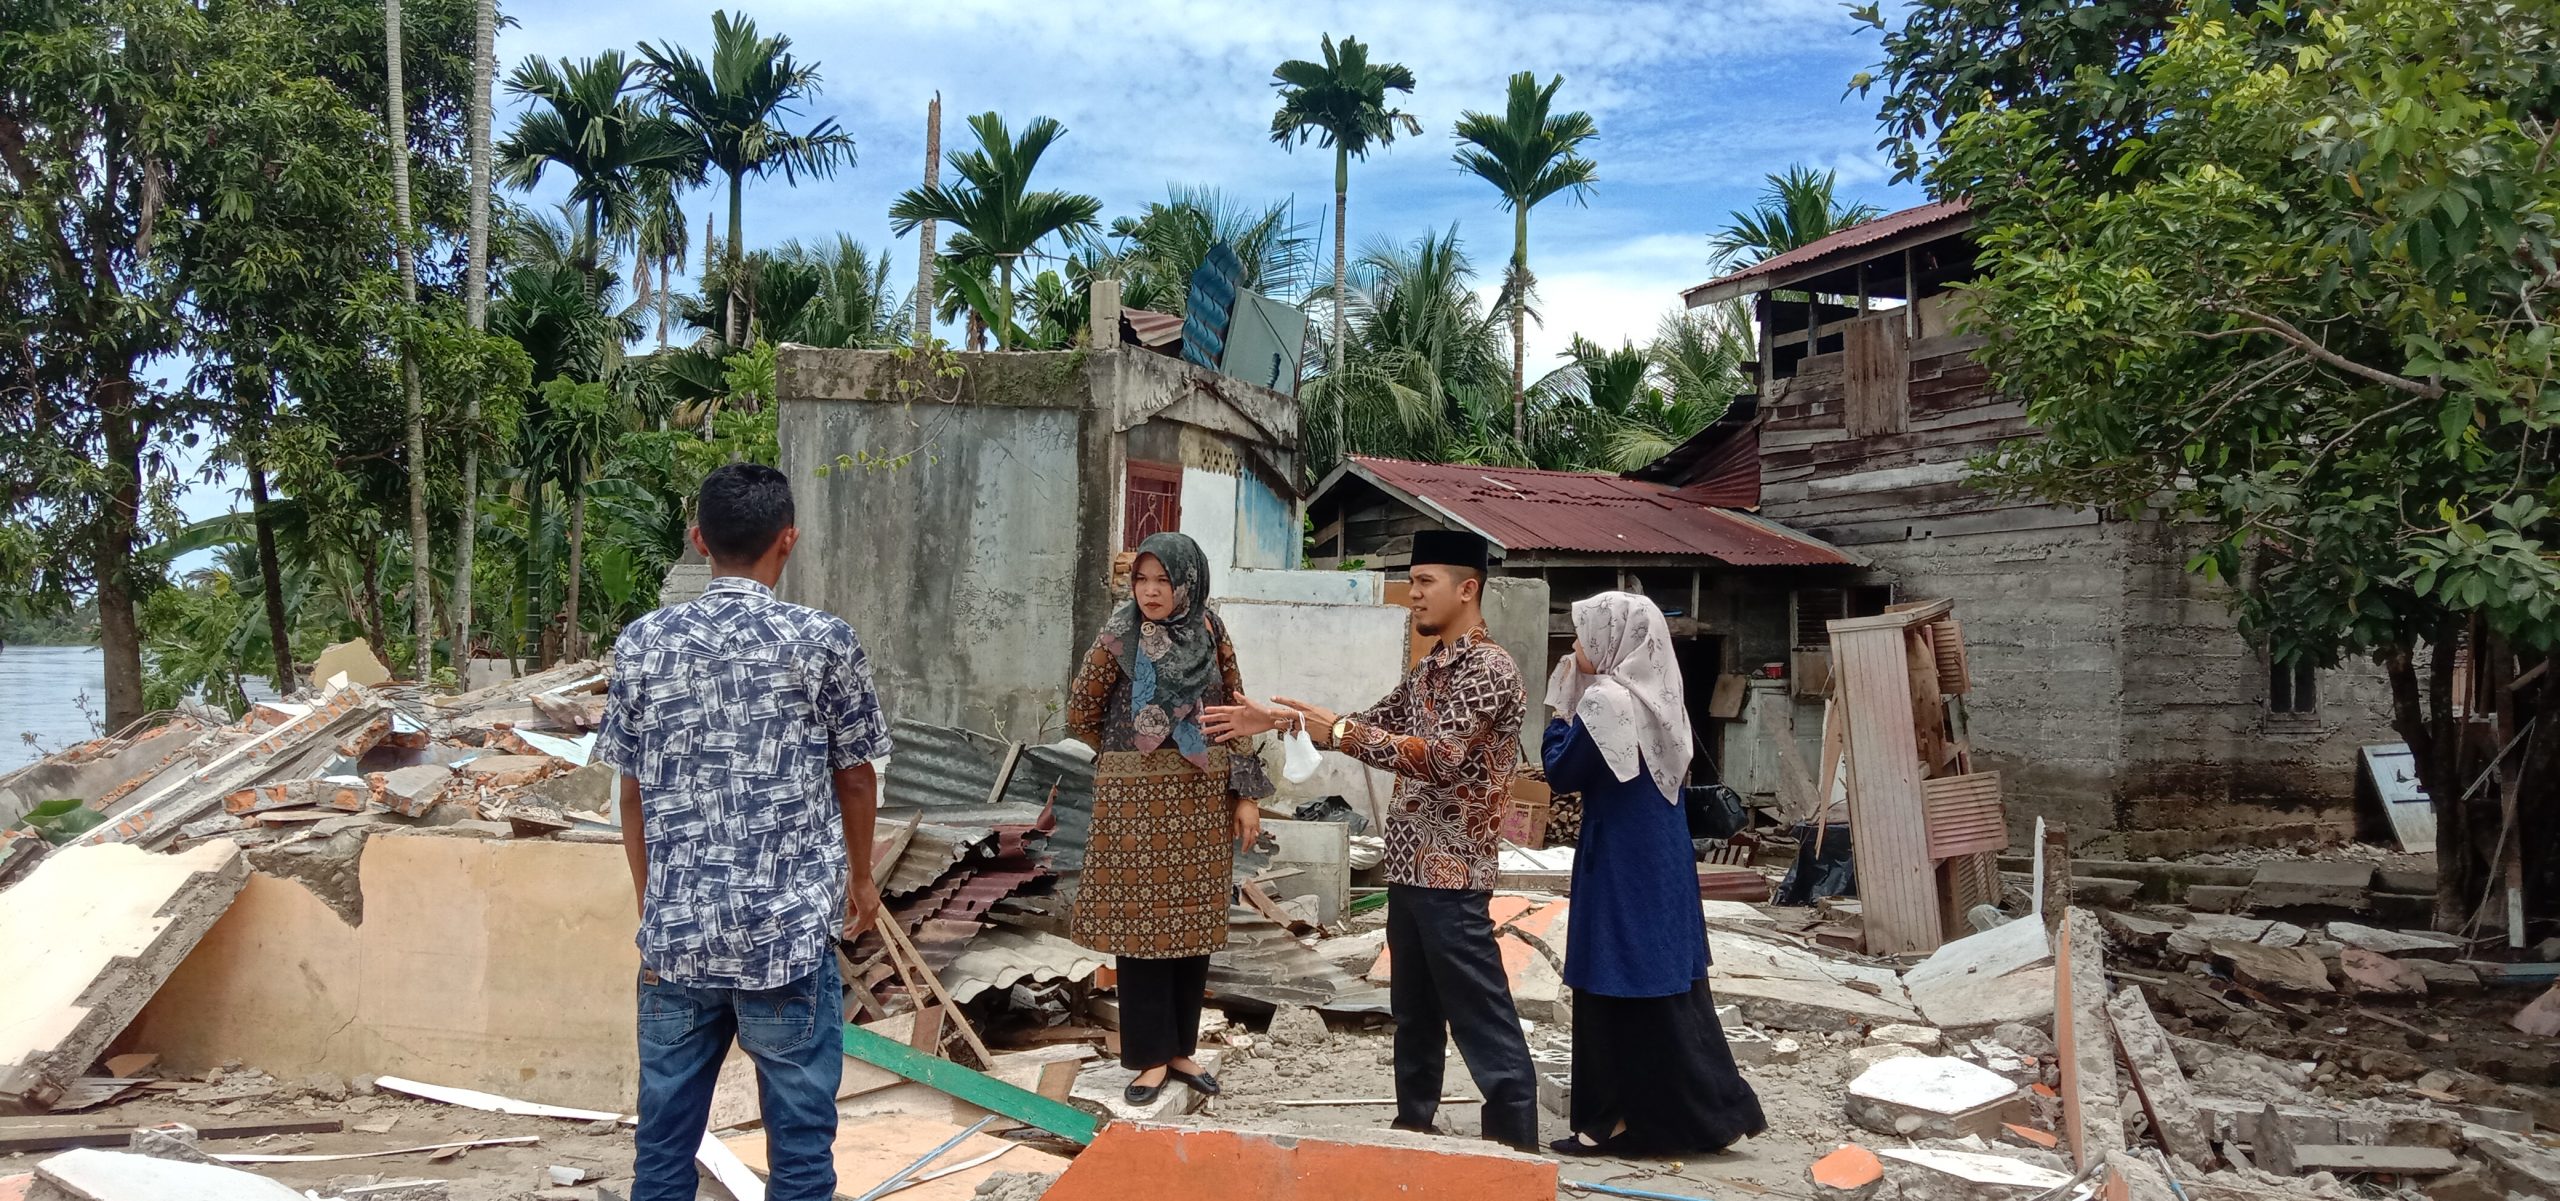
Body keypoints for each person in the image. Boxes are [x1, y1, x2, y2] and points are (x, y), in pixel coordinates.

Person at [598, 464, 892, 1201]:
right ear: (787, 540)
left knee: (662, 1149)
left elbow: (631, 791)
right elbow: (857, 778)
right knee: (800, 1153)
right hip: (784, 937)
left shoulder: (641, 643)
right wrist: (861, 880)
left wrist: (653, 899)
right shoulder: (822, 641)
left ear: (699, 539)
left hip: (679, 940)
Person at [1206, 529, 1540, 1151]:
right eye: (1411, 583)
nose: (1412, 595)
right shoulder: (1431, 667)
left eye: (1425, 583)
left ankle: (1516, 1147)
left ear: (1467, 589)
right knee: (1414, 1013)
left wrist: (1337, 730)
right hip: (1409, 867)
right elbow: (1367, 724)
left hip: (1453, 872)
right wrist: (1278, 721)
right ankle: (1414, 1125)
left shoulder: (1489, 670)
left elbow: (1439, 758)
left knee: (1481, 1016)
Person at [1540, 591, 1765, 1158]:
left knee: (1612, 977)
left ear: (1615, 640)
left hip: (1621, 855)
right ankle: (1699, 1115)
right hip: (1660, 853)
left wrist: (1561, 707)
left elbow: (1561, 771)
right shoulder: (1660, 694)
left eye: (1586, 633)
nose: (1575, 644)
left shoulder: (1606, 700)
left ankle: (1610, 1121)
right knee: (1659, 980)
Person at [1067, 532, 1272, 1106]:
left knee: (1191, 927)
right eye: (1142, 580)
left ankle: (1181, 1048)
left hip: (1202, 800)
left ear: (1188, 582)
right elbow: (1081, 712)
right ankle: (1149, 1057)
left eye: (1163, 580)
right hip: (1133, 806)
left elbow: (1236, 711)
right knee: (1140, 931)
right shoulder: (1119, 635)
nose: (1151, 592)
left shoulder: (1210, 629)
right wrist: (1131, 752)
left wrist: (1245, 795)